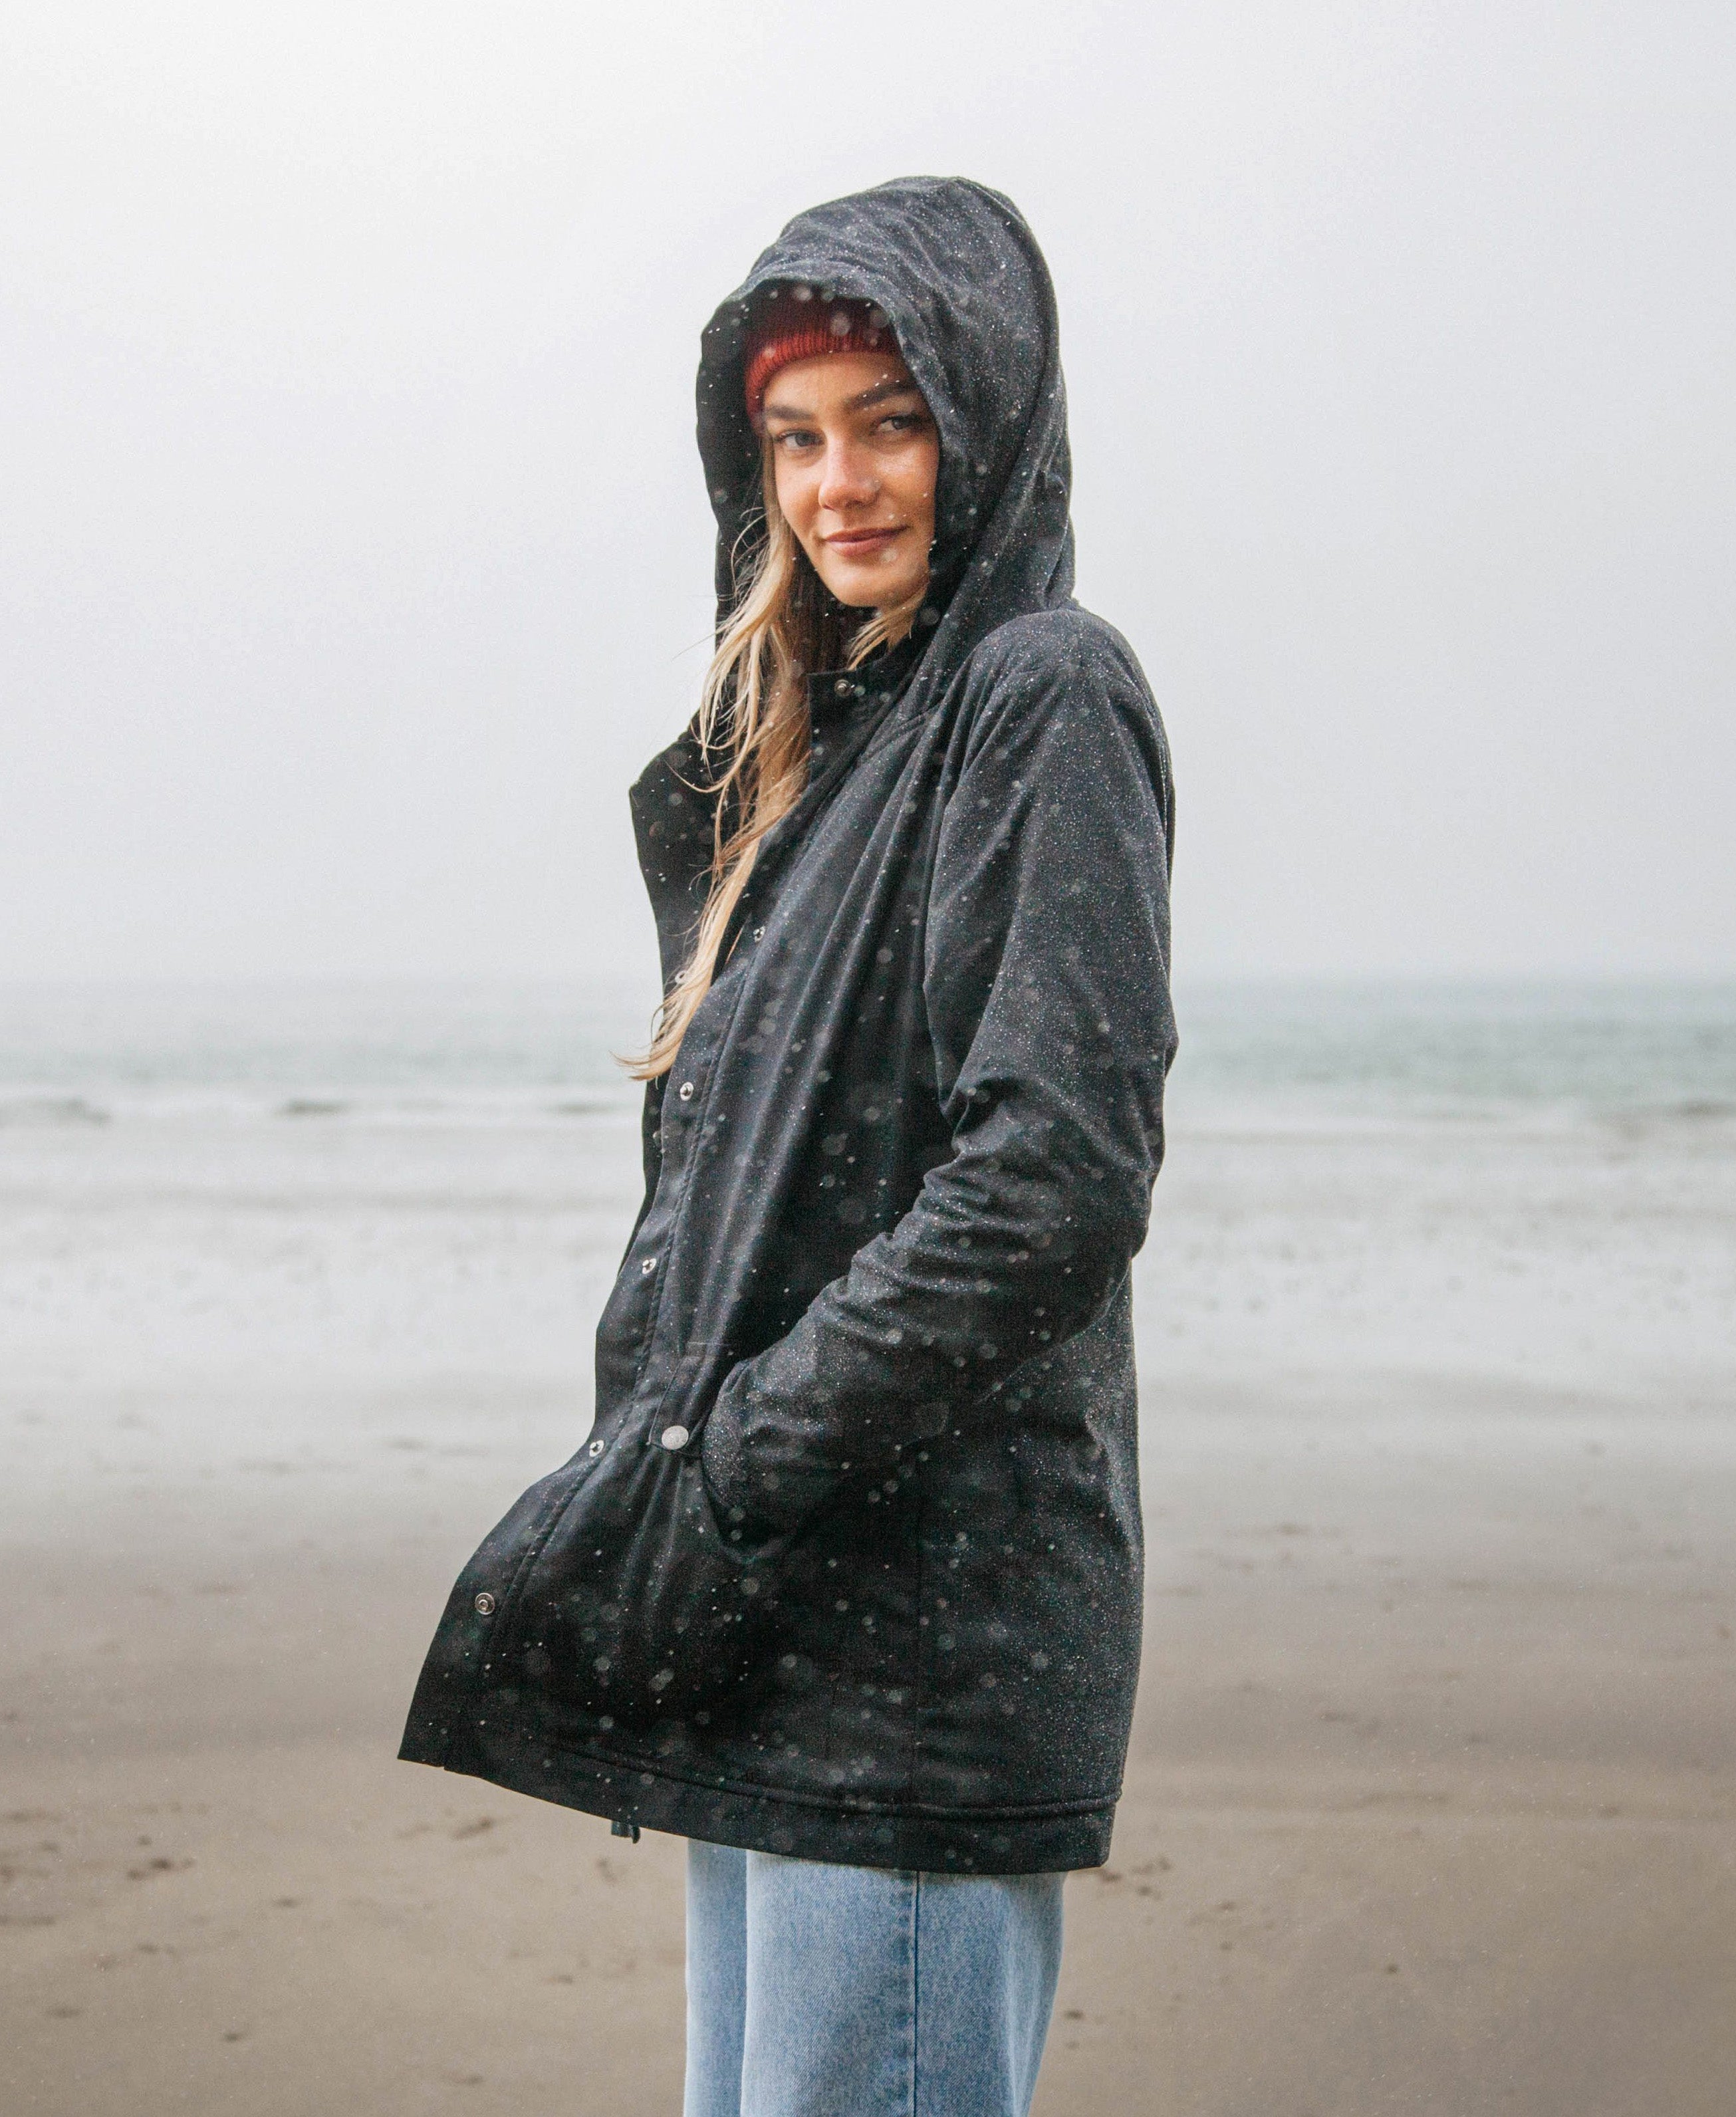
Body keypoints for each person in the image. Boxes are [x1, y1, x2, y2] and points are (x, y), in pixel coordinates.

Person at [400, 175, 1176, 2117]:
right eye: (796, 436)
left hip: (915, 1644)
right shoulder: (817, 755)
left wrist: (734, 1461)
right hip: (775, 1617)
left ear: (990, 414)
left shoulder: (1041, 695)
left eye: (891, 420)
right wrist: (705, 1495)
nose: (841, 484)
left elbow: (1053, 1178)